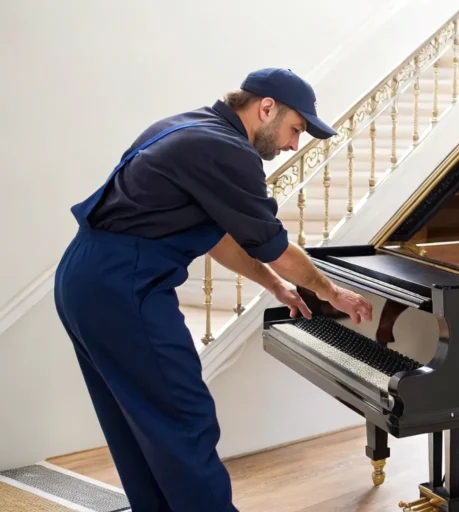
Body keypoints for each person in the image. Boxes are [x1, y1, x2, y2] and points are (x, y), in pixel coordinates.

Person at [53, 67, 373, 511]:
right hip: (124, 284)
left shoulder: (186, 126)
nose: (292, 145)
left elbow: (220, 236)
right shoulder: (227, 152)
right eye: (295, 129)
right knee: (184, 419)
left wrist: (274, 284)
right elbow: (274, 245)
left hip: (84, 277)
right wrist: (330, 291)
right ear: (266, 108)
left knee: (136, 422)